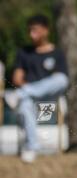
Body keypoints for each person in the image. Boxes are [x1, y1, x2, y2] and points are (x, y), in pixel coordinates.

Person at [3, 14, 69, 163]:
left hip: (51, 96)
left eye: (36, 30)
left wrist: (29, 88)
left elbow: (60, 80)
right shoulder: (24, 53)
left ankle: (20, 94)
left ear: (46, 30)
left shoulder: (57, 53)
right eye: (30, 31)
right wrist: (30, 89)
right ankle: (32, 148)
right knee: (26, 103)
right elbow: (17, 78)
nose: (32, 34)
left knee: (62, 79)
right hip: (31, 98)